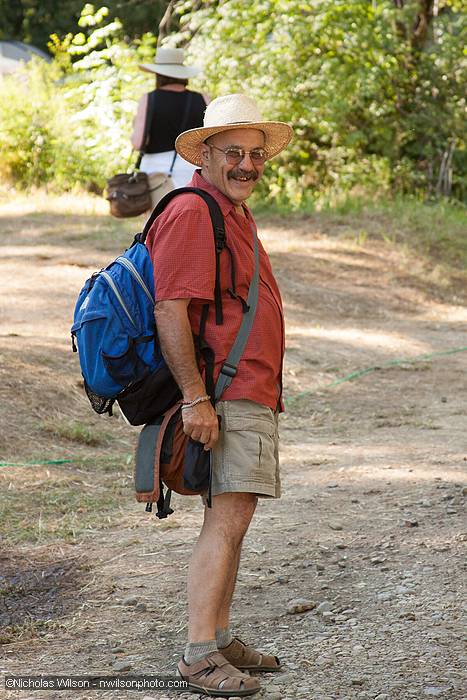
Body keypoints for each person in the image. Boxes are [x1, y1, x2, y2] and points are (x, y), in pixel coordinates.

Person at [145, 94, 293, 697]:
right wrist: (195, 400)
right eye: (234, 152)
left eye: (256, 154)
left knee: (233, 514)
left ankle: (221, 636)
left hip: (245, 390)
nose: (247, 164)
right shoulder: (192, 211)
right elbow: (170, 309)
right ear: (204, 154)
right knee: (227, 518)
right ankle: (200, 653)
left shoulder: (230, 210)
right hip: (222, 393)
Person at [131, 47, 207, 188]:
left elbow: (137, 143)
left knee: (160, 210)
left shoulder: (149, 99)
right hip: (193, 169)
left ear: (158, 74)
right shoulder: (202, 99)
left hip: (156, 170)